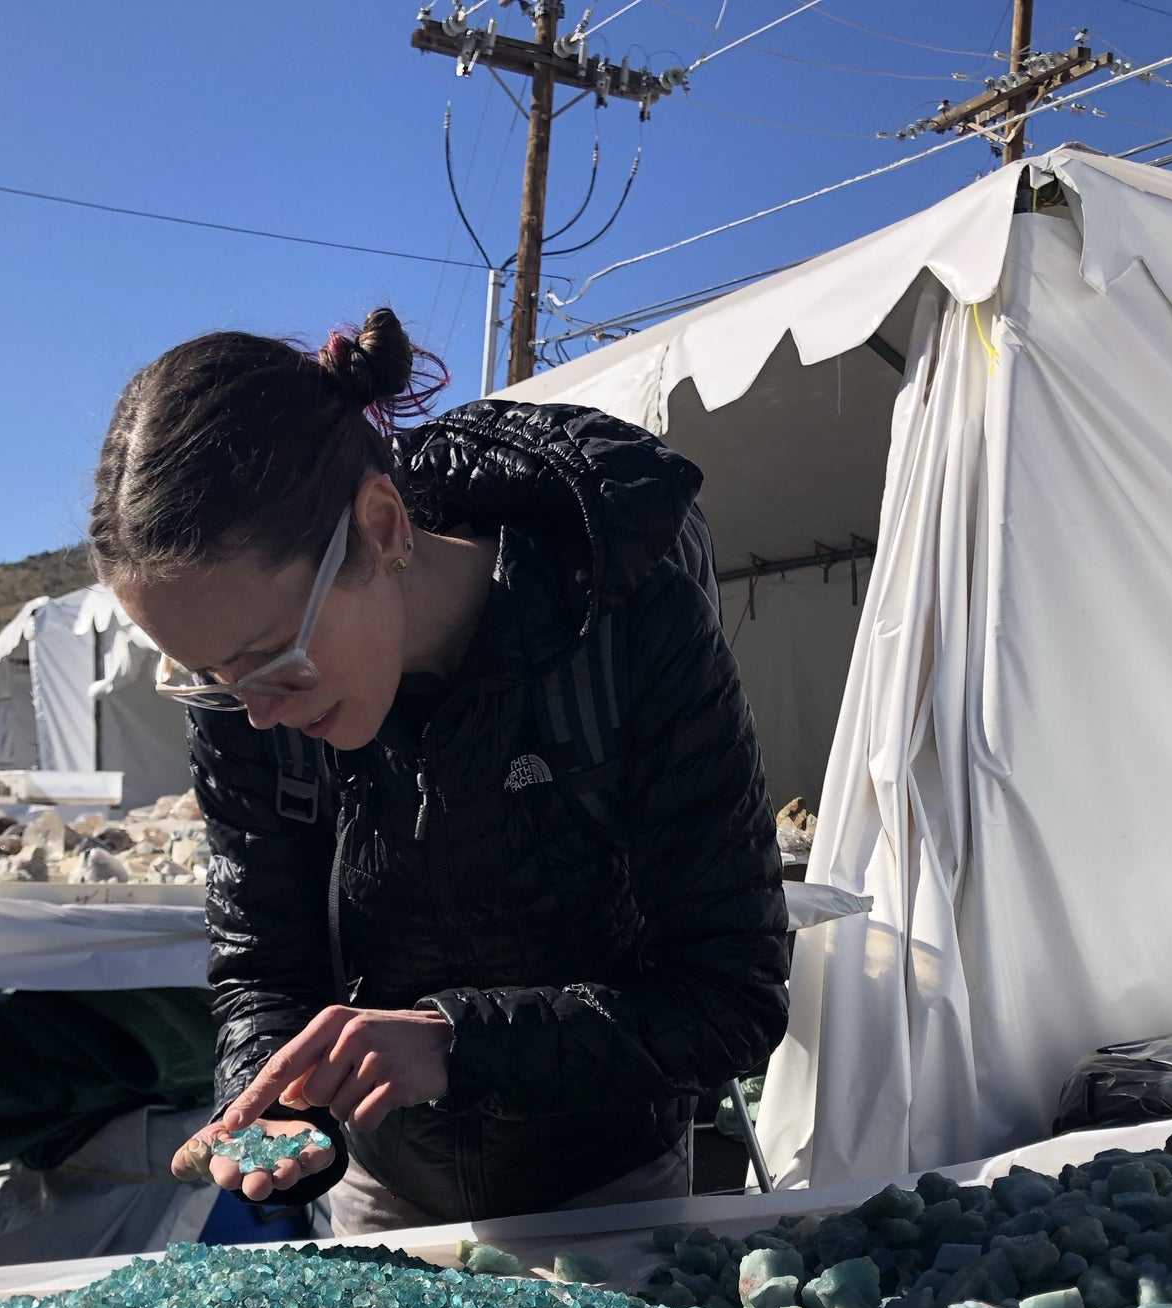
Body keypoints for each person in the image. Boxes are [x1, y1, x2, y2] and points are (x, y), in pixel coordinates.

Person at [90, 309, 788, 1235]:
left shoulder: (627, 629)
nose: (255, 709)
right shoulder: (253, 697)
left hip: (610, 1192)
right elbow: (263, 962)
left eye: (271, 660)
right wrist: (277, 1105)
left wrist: (463, 1044)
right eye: (209, 680)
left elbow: (731, 994)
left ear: (381, 526)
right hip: (381, 1188)